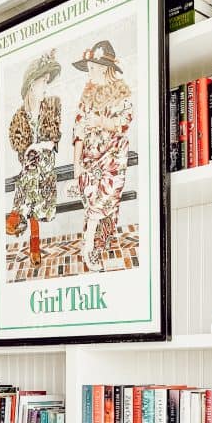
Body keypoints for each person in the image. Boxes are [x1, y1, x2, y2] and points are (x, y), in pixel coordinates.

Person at [72, 40, 133, 271]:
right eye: (90, 68)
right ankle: (89, 244)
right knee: (92, 199)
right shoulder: (87, 93)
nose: (92, 73)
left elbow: (125, 123)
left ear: (106, 69)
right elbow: (77, 129)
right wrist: (77, 164)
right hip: (90, 158)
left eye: (95, 68)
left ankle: (91, 246)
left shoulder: (121, 92)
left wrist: (101, 122)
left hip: (114, 157)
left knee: (106, 200)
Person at [7, 50, 62, 267]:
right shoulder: (19, 118)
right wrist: (30, 151)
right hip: (30, 168)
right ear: (32, 85)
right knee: (29, 171)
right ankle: (34, 244)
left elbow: (53, 142)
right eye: (43, 83)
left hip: (46, 165)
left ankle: (16, 215)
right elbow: (21, 150)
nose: (46, 88)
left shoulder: (52, 106)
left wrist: (37, 146)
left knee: (30, 174)